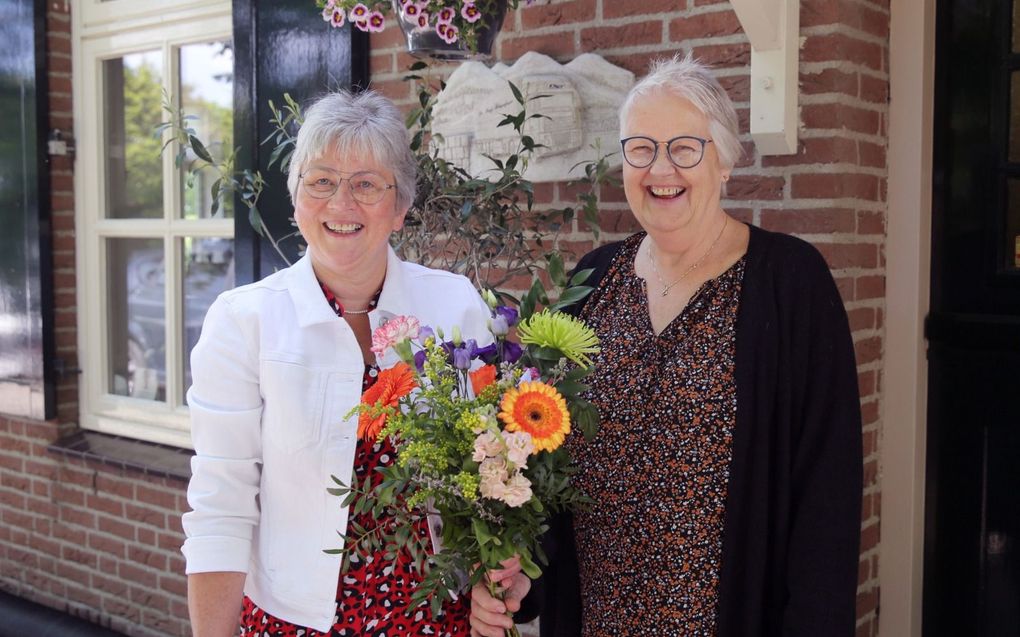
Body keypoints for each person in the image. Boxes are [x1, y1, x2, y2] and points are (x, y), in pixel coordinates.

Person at [469, 53, 863, 637]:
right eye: (641, 148)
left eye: (685, 148)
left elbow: (826, 500)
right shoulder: (593, 283)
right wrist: (529, 581)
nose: (661, 169)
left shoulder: (791, 283)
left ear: (724, 161)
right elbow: (551, 471)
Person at [182, 89, 491, 637]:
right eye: (321, 180)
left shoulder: (455, 306)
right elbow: (220, 504)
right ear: (297, 197)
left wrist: (498, 579)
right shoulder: (243, 321)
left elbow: (490, 477)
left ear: (399, 209)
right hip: (294, 623)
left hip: (436, 619)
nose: (341, 204)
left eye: (367, 185)